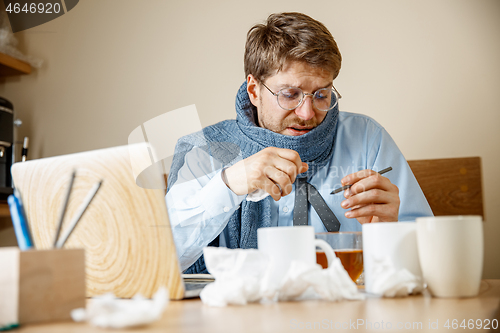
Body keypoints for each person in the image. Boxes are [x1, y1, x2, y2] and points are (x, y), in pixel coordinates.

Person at [166, 12, 433, 274]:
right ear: (253, 90)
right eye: (290, 94)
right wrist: (227, 184)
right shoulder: (202, 152)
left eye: (321, 94)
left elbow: (429, 261)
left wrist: (391, 229)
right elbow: (163, 260)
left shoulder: (367, 140)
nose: (307, 114)